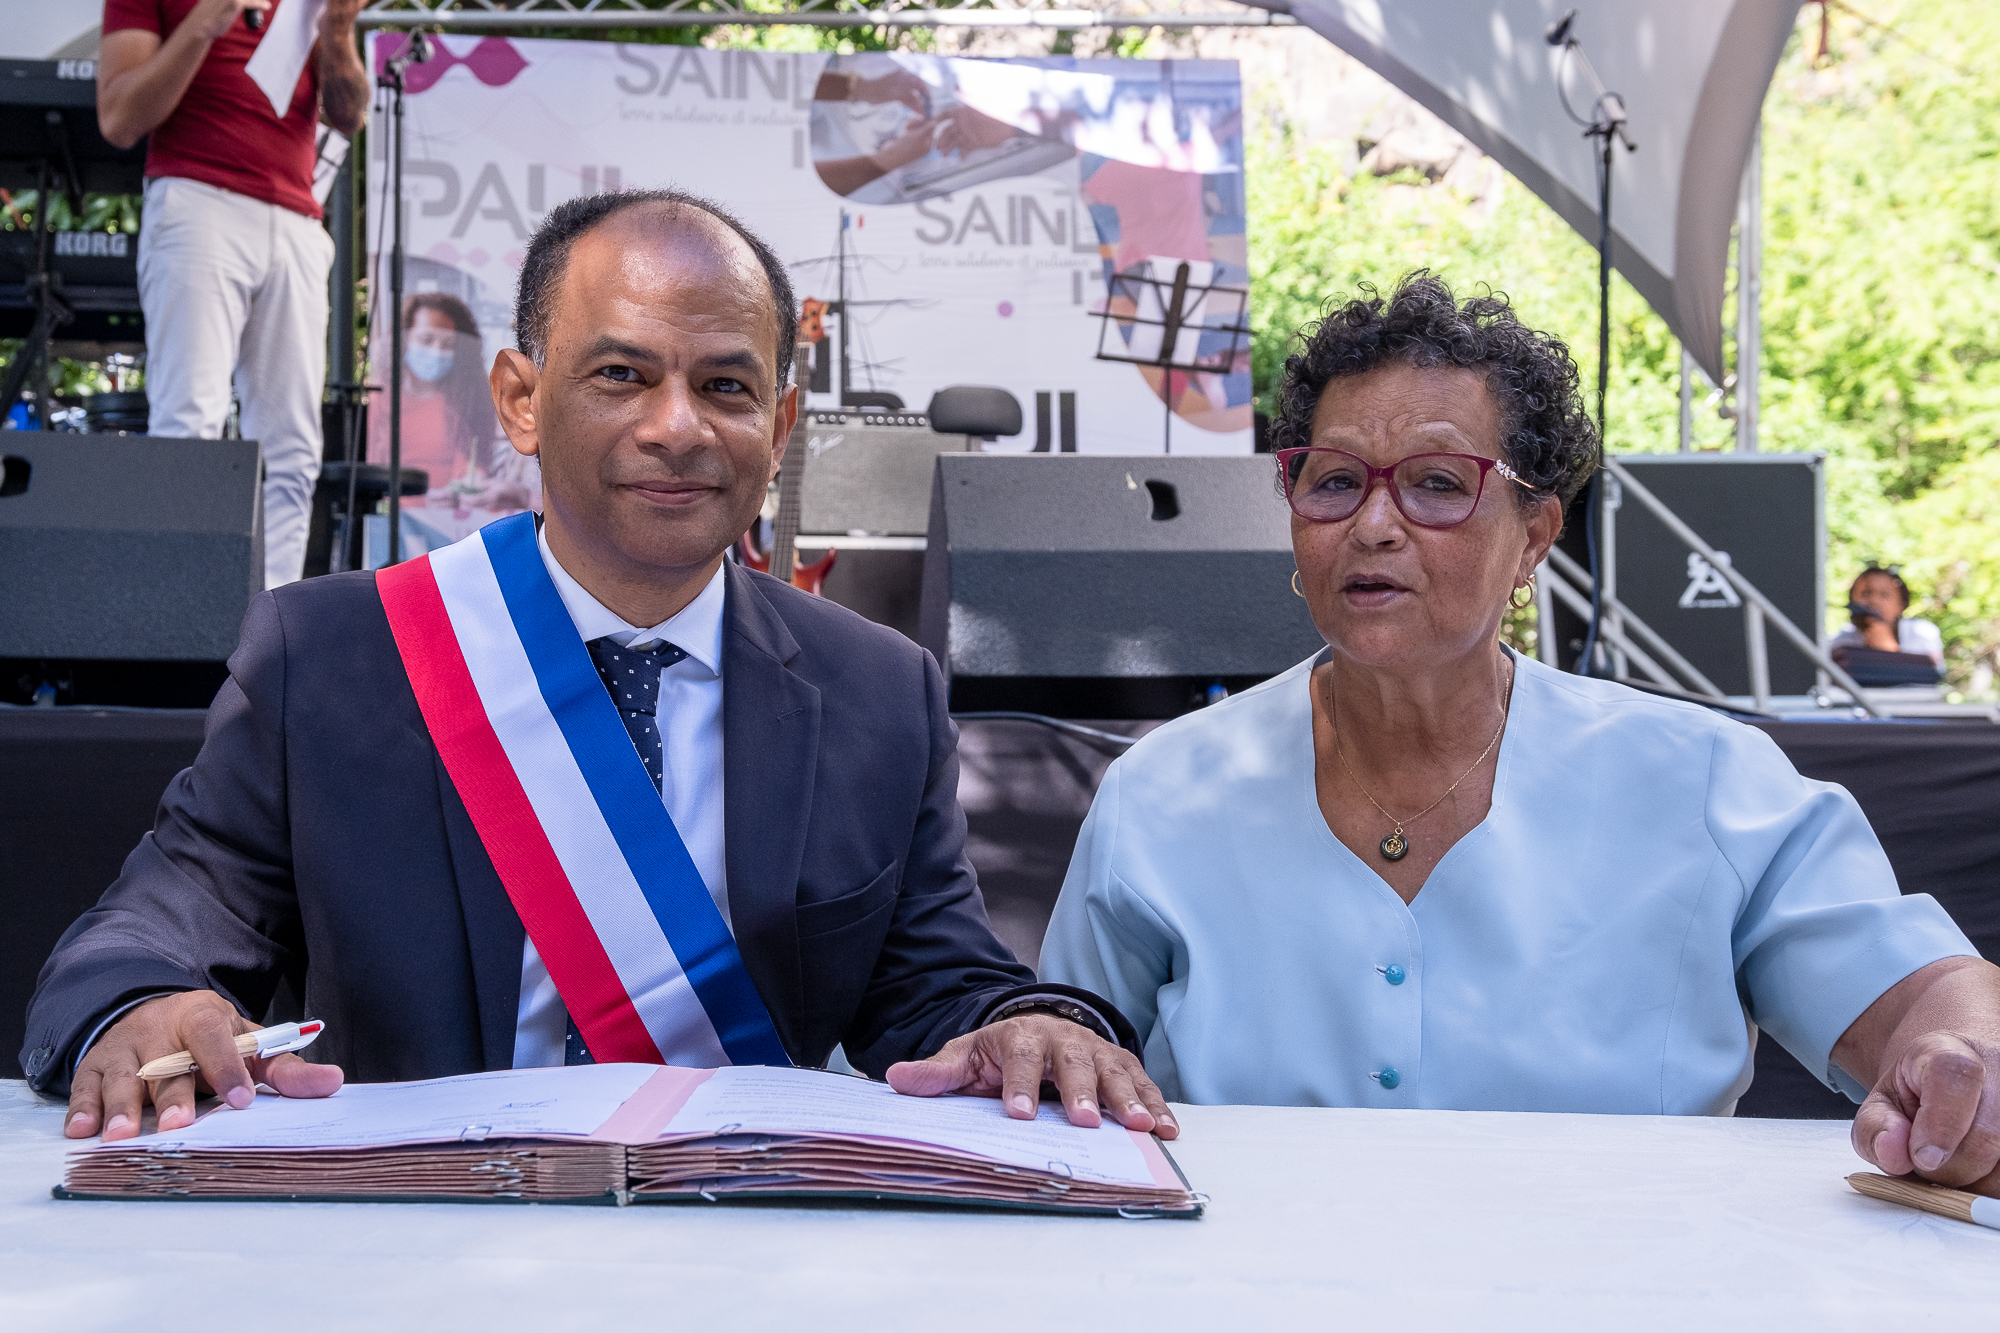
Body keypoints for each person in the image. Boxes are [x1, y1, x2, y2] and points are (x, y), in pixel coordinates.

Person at [26, 190, 1175, 1148]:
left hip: (739, 1248)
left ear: (778, 428)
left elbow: (935, 985)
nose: (677, 426)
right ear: (521, 401)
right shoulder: (329, 658)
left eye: (726, 387)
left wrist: (1022, 1020)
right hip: (409, 1244)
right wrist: (145, 1003)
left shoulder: (878, 689)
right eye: (621, 374)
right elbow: (146, 933)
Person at [1040, 274, 2000, 1196]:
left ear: (1536, 533)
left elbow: (1920, 1000)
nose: (1373, 524)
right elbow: (1065, 1065)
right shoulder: (1164, 792)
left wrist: (1961, 1054)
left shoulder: (1701, 779)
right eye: (1332, 481)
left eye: (1437, 483)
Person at [97, 0, 369, 588]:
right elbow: (118, 118)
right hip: (197, 201)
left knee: (294, 450)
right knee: (190, 427)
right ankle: (181, 624)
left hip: (296, 220)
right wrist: (204, 22)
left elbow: (347, 115)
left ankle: (272, 642)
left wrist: (339, 29)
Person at [369, 293, 536, 532]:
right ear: (403, 341)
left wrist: (472, 483)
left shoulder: (471, 401)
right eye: (426, 340)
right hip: (394, 527)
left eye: (448, 345)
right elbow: (373, 475)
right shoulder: (379, 401)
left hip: (455, 525)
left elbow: (472, 462)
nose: (437, 352)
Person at [1830, 565, 1945, 667]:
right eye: (1865, 594)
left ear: (1901, 604)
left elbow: (1934, 673)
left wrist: (1888, 649)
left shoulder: (1922, 633)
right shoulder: (1840, 643)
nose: (1874, 601)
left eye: (1884, 595)